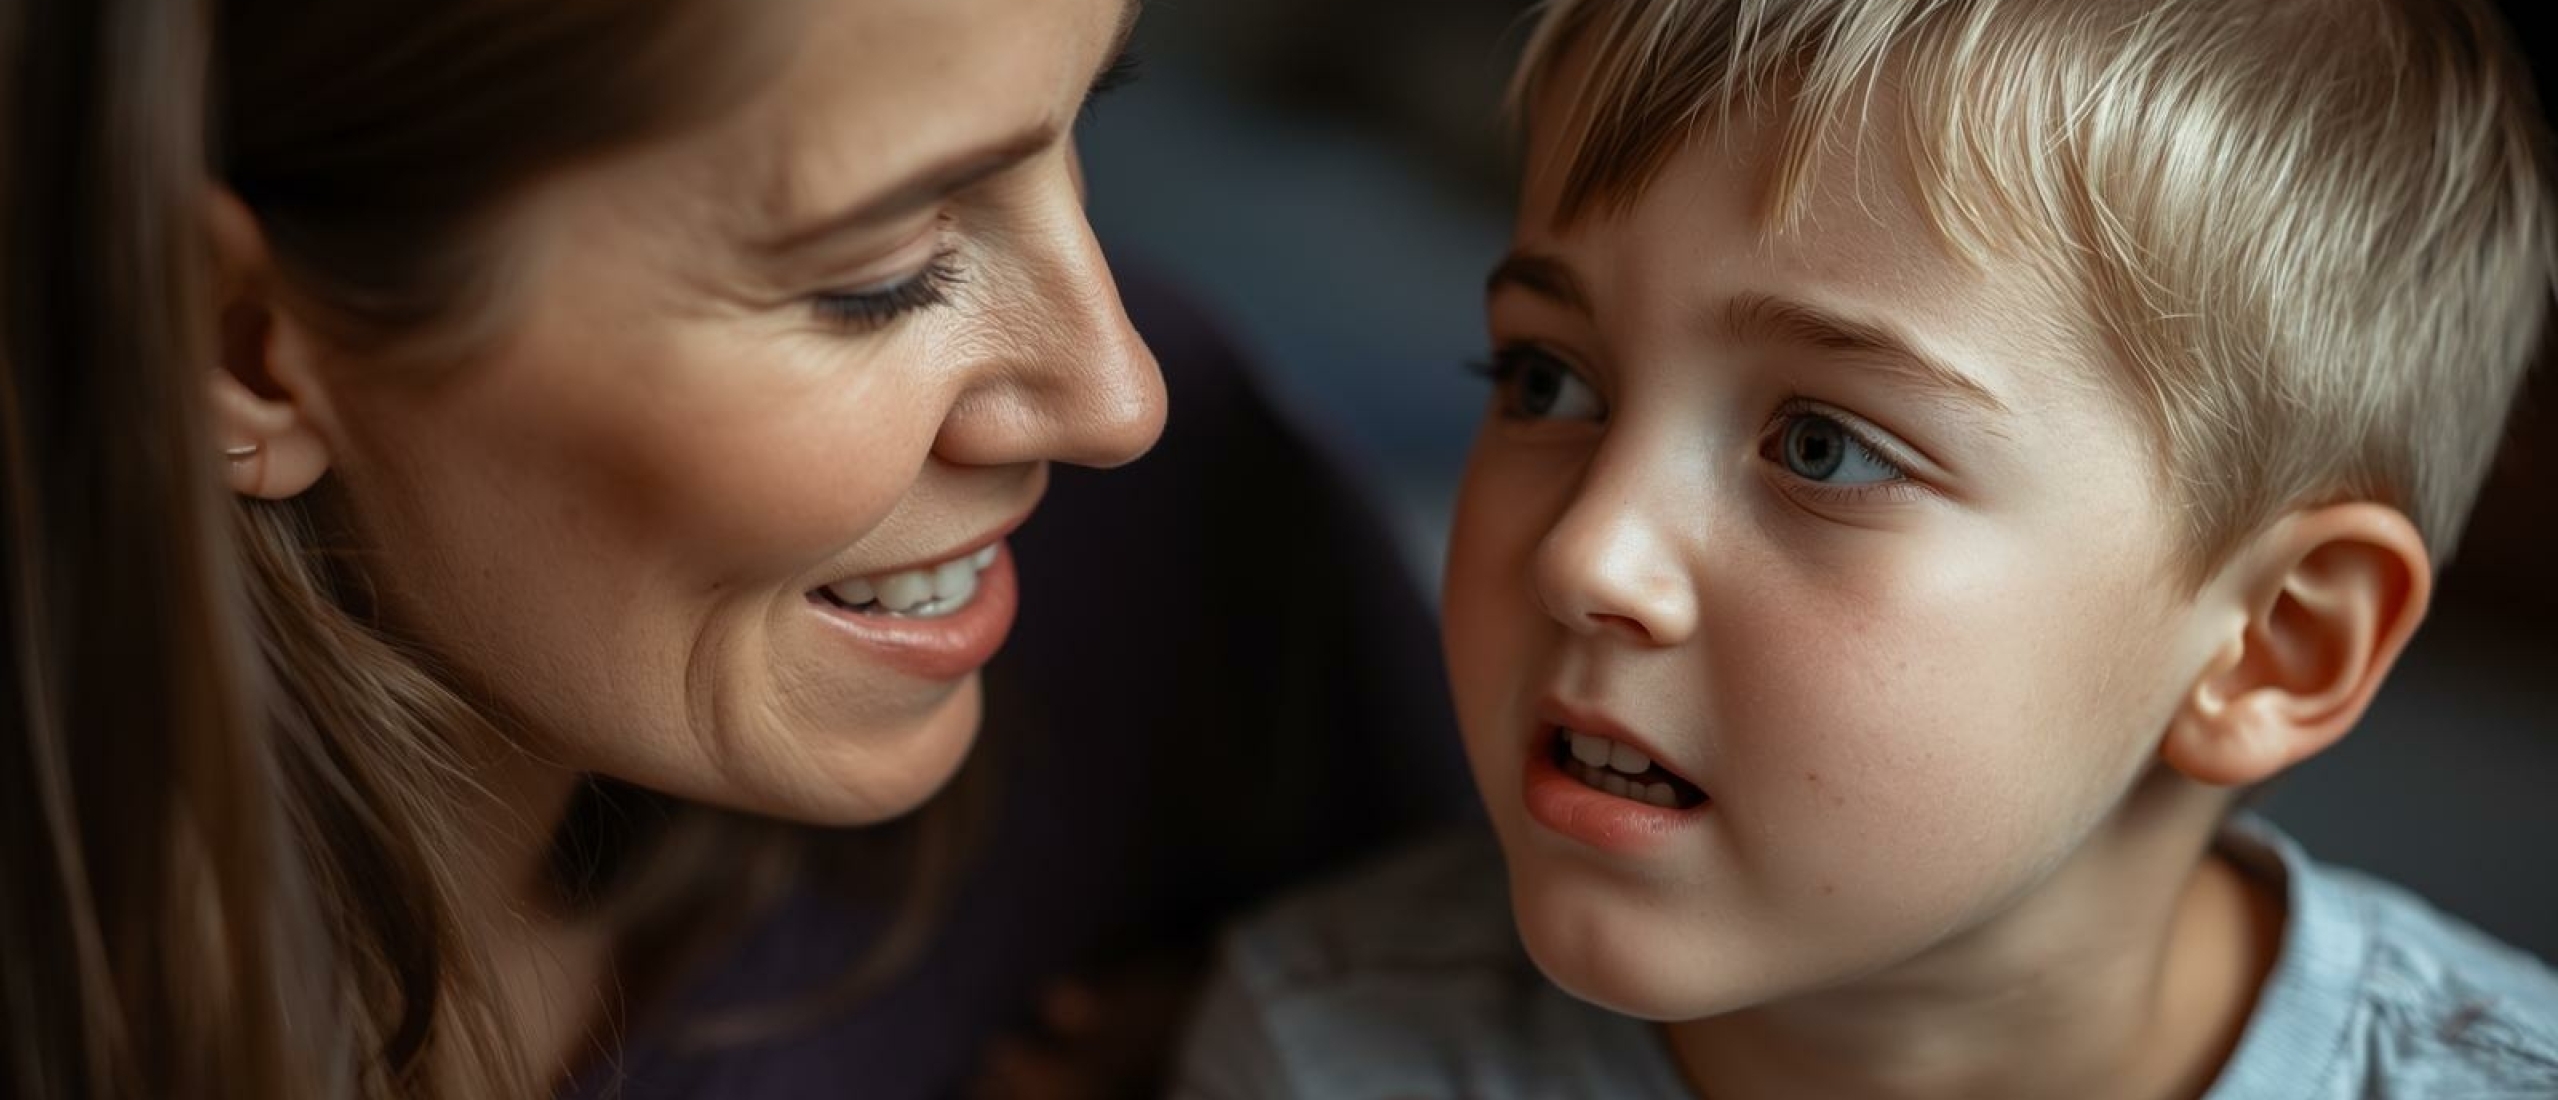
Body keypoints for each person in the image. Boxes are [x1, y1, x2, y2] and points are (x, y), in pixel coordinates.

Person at [2, 0, 1464, 1097]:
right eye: (880, 281)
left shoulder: (1176, 548)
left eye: (1083, 128)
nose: (1115, 396)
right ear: (240, 349)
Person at [1175, 0, 2558, 1096]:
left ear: (2271, 643)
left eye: (1824, 447)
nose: (1587, 555)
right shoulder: (1325, 1056)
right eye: (1548, 382)